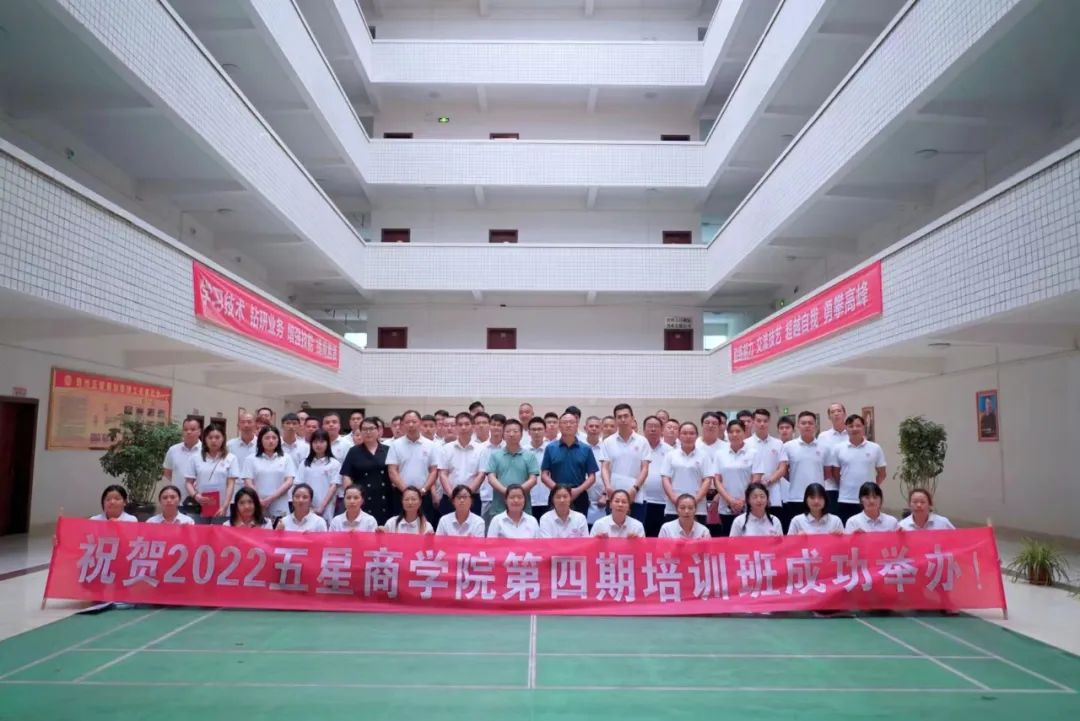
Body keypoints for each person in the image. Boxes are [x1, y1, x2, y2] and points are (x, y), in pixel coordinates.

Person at [766, 411, 831, 532]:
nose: (807, 426)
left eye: (810, 423)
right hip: (796, 498)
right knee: (796, 533)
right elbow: (784, 471)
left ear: (815, 426)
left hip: (818, 498)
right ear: (798, 426)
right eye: (803, 423)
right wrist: (795, 478)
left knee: (818, 531)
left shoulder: (824, 447)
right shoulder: (788, 446)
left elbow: (827, 473)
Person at [827, 414, 887, 522]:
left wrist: (871, 487)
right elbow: (835, 473)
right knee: (847, 529)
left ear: (863, 427)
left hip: (868, 499)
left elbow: (882, 474)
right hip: (846, 499)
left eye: (858, 426)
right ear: (846, 428)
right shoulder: (838, 448)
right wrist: (844, 485)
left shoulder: (875, 448)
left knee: (869, 528)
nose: (854, 429)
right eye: (851, 426)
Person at [541, 411, 598, 516]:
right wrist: (558, 490)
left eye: (571, 422)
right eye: (565, 422)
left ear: (577, 425)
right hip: (556, 494)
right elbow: (544, 475)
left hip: (579, 494)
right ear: (559, 426)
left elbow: (592, 477)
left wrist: (578, 490)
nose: (568, 425)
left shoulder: (586, 449)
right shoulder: (550, 448)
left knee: (579, 525)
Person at [601, 403, 650, 525]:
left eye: (626, 416)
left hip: (636, 495)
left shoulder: (642, 441)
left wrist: (635, 488)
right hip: (614, 495)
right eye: (619, 417)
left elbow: (645, 469)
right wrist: (608, 486)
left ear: (632, 418)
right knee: (613, 530)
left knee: (635, 531)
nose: (623, 419)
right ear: (615, 420)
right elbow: (605, 468)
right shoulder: (608, 442)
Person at [486, 419, 539, 527]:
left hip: (523, 507)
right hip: (499, 506)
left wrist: (516, 494)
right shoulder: (495, 456)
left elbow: (533, 479)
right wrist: (507, 492)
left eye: (515, 431)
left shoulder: (530, 456)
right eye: (508, 431)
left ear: (521, 434)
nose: (511, 434)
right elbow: (491, 478)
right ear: (503, 434)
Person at [341, 419, 395, 524]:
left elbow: (394, 472)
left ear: (378, 431)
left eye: (371, 429)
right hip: (362, 498)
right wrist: (351, 495)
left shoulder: (388, 450)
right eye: (365, 429)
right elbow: (347, 475)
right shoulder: (354, 451)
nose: (368, 432)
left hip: (385, 497)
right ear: (360, 432)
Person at [241, 425, 296, 523]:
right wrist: (260, 500)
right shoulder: (251, 459)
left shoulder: (286, 458)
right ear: (260, 440)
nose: (271, 441)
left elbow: (289, 481)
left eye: (274, 438)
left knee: (279, 530)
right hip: (257, 503)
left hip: (280, 504)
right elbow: (248, 481)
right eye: (267, 438)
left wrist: (270, 499)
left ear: (279, 440)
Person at [660, 422, 712, 524]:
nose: (688, 436)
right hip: (674, 507)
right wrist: (675, 500)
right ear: (679, 435)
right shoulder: (670, 455)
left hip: (697, 508)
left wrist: (694, 501)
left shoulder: (704, 456)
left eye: (692, 433)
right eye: (684, 433)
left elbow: (707, 480)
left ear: (697, 436)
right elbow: (665, 478)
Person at [185, 423, 238, 522]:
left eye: (217, 437)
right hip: (200, 506)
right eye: (210, 437)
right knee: (199, 532)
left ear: (223, 439)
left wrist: (225, 506)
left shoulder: (231, 458)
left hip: (222, 508)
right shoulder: (195, 458)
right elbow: (188, 482)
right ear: (205, 439)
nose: (213, 440)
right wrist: (195, 495)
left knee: (219, 532)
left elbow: (231, 484)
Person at [712, 419, 756, 537]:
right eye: (731, 432)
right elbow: (717, 480)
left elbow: (756, 479)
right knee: (727, 538)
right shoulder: (720, 454)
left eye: (738, 431)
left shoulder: (753, 453)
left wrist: (743, 500)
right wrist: (730, 500)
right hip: (725, 505)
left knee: (747, 538)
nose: (734, 434)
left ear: (744, 432)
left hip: (748, 504)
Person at [438, 412, 484, 516]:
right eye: (460, 424)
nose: (463, 427)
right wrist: (452, 495)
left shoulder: (481, 449)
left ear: (473, 427)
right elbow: (443, 474)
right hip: (449, 497)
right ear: (456, 427)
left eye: (467, 424)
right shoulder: (446, 449)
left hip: (473, 497)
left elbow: (481, 475)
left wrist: (466, 495)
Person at [748, 408, 785, 521]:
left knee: (774, 525)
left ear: (769, 422)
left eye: (765, 421)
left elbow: (782, 468)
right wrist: (756, 484)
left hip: (774, 493)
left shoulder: (778, 443)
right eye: (759, 421)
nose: (762, 424)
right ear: (753, 422)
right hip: (752, 493)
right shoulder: (746, 444)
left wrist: (768, 481)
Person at [297, 430, 341, 524]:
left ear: (327, 443)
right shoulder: (304, 463)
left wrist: (321, 507)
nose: (318, 445)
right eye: (315, 442)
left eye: (321, 442)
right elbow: (299, 485)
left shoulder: (334, 464)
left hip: (327, 507)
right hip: (306, 506)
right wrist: (309, 506)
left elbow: (333, 486)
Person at [640, 415, 672, 537]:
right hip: (641, 501)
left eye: (656, 426)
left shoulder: (670, 451)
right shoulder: (638, 447)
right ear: (644, 430)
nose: (653, 429)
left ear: (662, 429)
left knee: (659, 539)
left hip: (663, 502)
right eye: (650, 426)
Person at [817, 402, 848, 512]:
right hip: (830, 486)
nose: (836, 414)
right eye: (832, 412)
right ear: (829, 417)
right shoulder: (823, 436)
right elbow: (820, 459)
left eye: (839, 411)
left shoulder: (852, 434)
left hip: (850, 485)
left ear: (844, 414)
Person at [162, 416, 202, 500]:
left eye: (192, 429)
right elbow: (167, 472)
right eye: (185, 429)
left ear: (199, 432)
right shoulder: (173, 450)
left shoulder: (206, 451)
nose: (189, 432)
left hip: (201, 498)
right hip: (178, 499)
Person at [581, 416, 609, 525]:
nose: (594, 428)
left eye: (597, 426)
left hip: (602, 498)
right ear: (585, 428)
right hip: (582, 496)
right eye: (591, 426)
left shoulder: (606, 447)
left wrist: (605, 495)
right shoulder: (579, 447)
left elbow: (610, 473)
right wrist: (581, 495)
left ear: (601, 429)